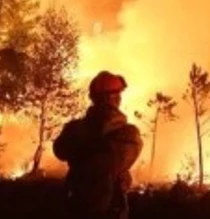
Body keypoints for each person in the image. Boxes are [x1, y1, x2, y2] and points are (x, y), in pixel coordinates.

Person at [53, 71, 143, 219]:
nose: (119, 98)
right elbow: (119, 161)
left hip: (77, 205)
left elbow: (59, 151)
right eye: (117, 94)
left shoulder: (74, 129)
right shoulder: (128, 133)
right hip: (110, 209)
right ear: (111, 98)